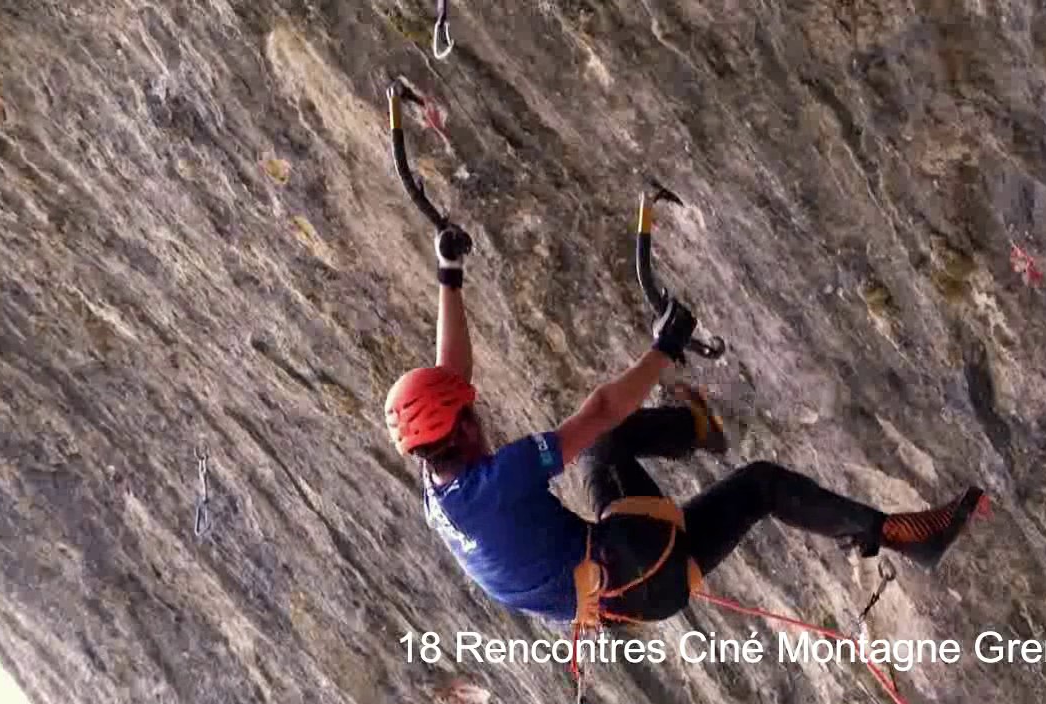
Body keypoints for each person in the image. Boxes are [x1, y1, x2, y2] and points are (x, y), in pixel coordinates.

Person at [384, 231, 988, 625]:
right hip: (641, 564)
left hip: (624, 595)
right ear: (462, 429)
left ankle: (699, 426)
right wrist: (664, 348)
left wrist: (449, 274)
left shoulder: (439, 485)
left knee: (606, 451)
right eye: (470, 410)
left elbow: (450, 376)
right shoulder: (499, 479)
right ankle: (898, 533)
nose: (478, 409)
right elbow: (600, 409)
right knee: (757, 484)